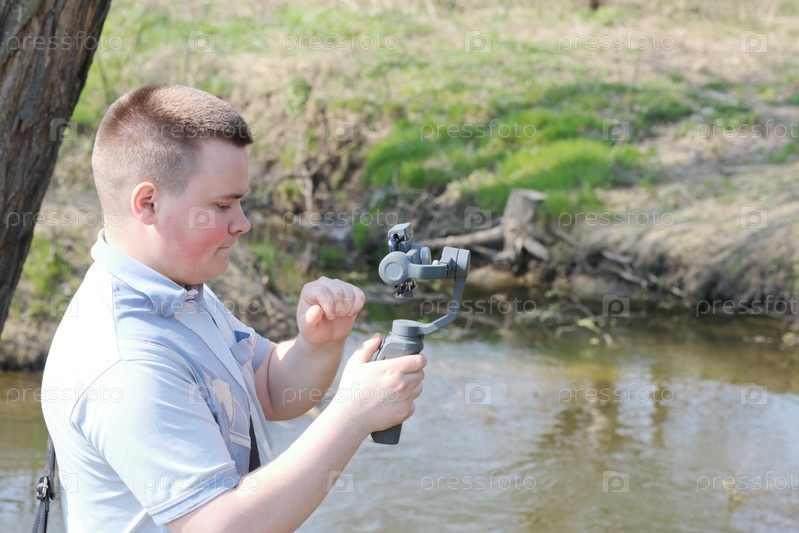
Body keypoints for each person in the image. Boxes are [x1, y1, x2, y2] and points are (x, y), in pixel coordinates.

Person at [41, 84, 426, 532]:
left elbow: (269, 389)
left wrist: (317, 344)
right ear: (148, 203)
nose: (242, 224)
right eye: (223, 205)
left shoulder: (179, 291)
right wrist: (353, 413)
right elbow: (218, 526)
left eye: (239, 202)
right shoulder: (125, 362)